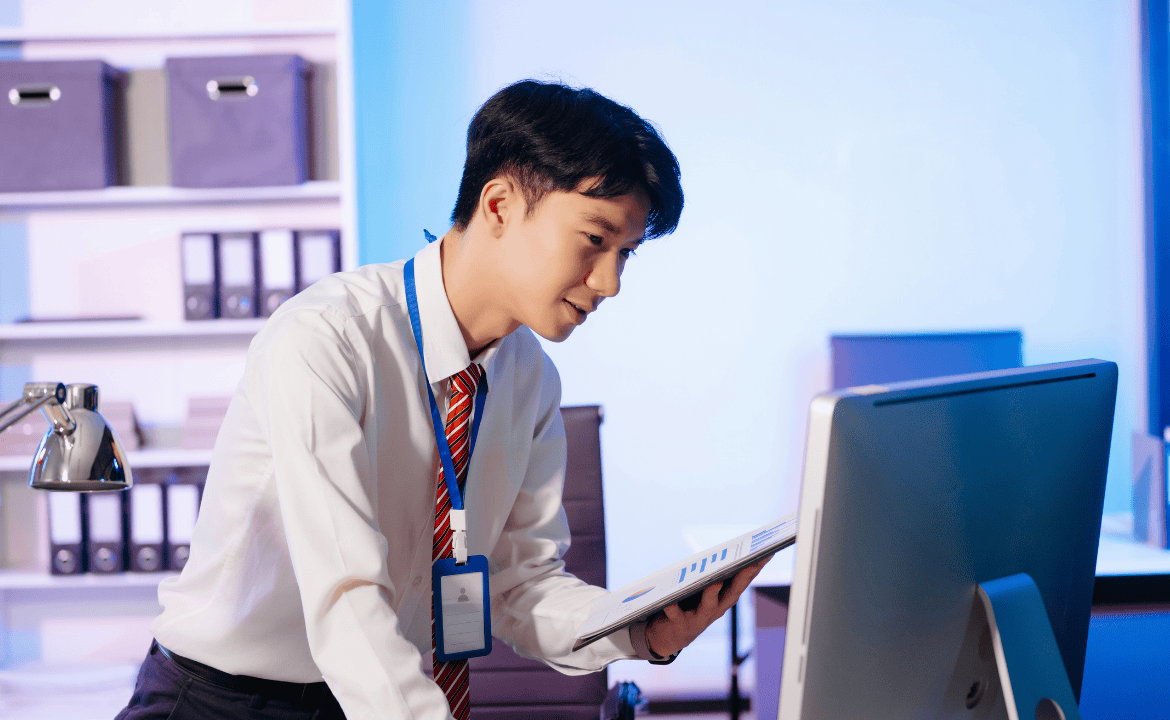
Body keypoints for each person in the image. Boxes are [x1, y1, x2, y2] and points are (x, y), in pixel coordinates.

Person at [115, 79, 765, 720]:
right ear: (501, 205)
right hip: (221, 702)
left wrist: (637, 630)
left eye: (627, 254)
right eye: (595, 240)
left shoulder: (529, 380)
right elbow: (346, 602)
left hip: (370, 700)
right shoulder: (325, 341)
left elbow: (520, 586)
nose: (611, 283)